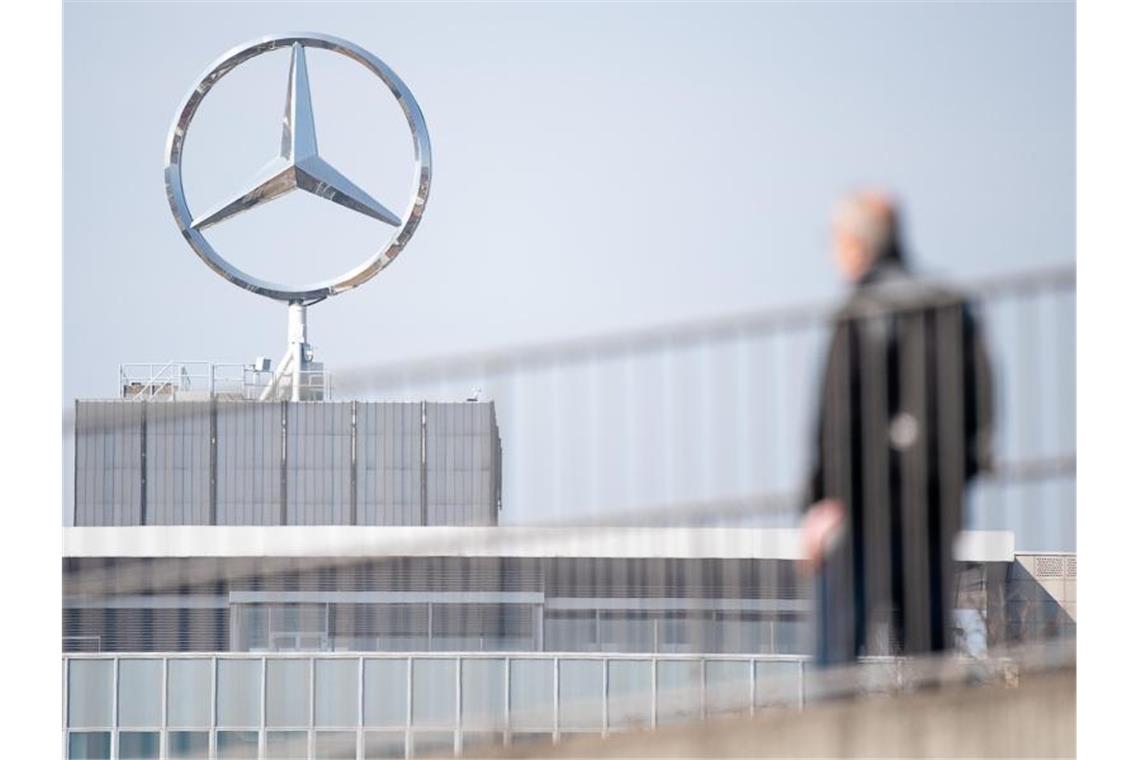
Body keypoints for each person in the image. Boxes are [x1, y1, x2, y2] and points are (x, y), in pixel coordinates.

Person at [801, 191, 994, 665]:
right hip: (933, 499)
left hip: (866, 501)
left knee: (839, 648)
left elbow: (840, 412)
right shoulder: (949, 305)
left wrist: (823, 496)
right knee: (926, 640)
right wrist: (964, 469)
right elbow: (980, 400)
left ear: (855, 243)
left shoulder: (861, 310)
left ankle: (834, 737)